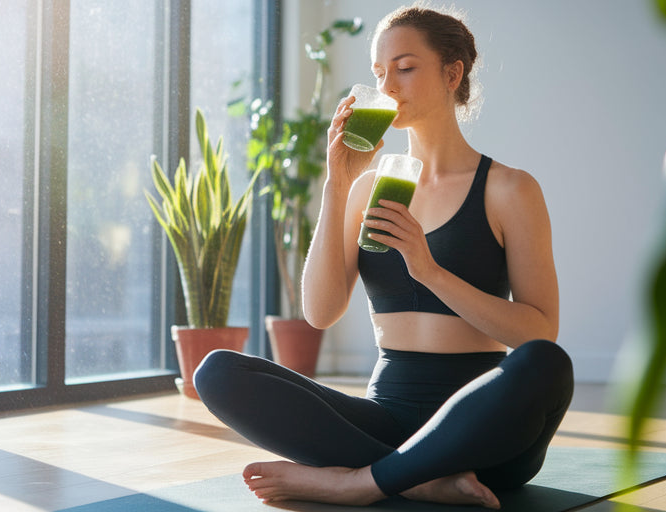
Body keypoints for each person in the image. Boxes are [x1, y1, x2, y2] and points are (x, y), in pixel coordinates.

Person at [193, 5, 573, 508]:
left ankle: (358, 482)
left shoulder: (509, 189)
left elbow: (539, 331)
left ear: (451, 72)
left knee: (546, 364)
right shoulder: (368, 187)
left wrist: (430, 271)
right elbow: (320, 311)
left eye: (406, 67)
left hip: (486, 433)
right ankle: (415, 478)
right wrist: (338, 184)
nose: (388, 85)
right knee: (216, 372)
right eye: (378, 72)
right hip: (386, 421)